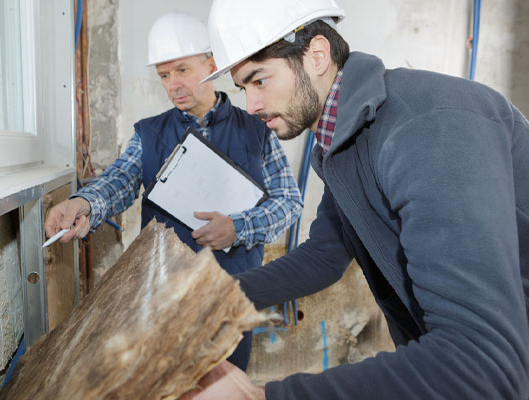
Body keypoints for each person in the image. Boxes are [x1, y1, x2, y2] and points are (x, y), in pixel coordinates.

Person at [182, 0, 529, 398]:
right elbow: (325, 257)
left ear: (316, 55)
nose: (252, 105)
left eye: (259, 81)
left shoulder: (426, 128)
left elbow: (482, 363)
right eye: (243, 88)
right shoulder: (344, 142)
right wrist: (217, 296)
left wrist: (261, 397)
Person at [43, 11, 303, 372]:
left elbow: (289, 203)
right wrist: (82, 202)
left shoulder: (257, 128)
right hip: (165, 294)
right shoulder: (150, 134)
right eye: (164, 75)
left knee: (225, 384)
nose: (173, 84)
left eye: (183, 70)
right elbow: (119, 180)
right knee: (167, 382)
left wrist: (239, 227)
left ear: (210, 63)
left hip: (234, 290)